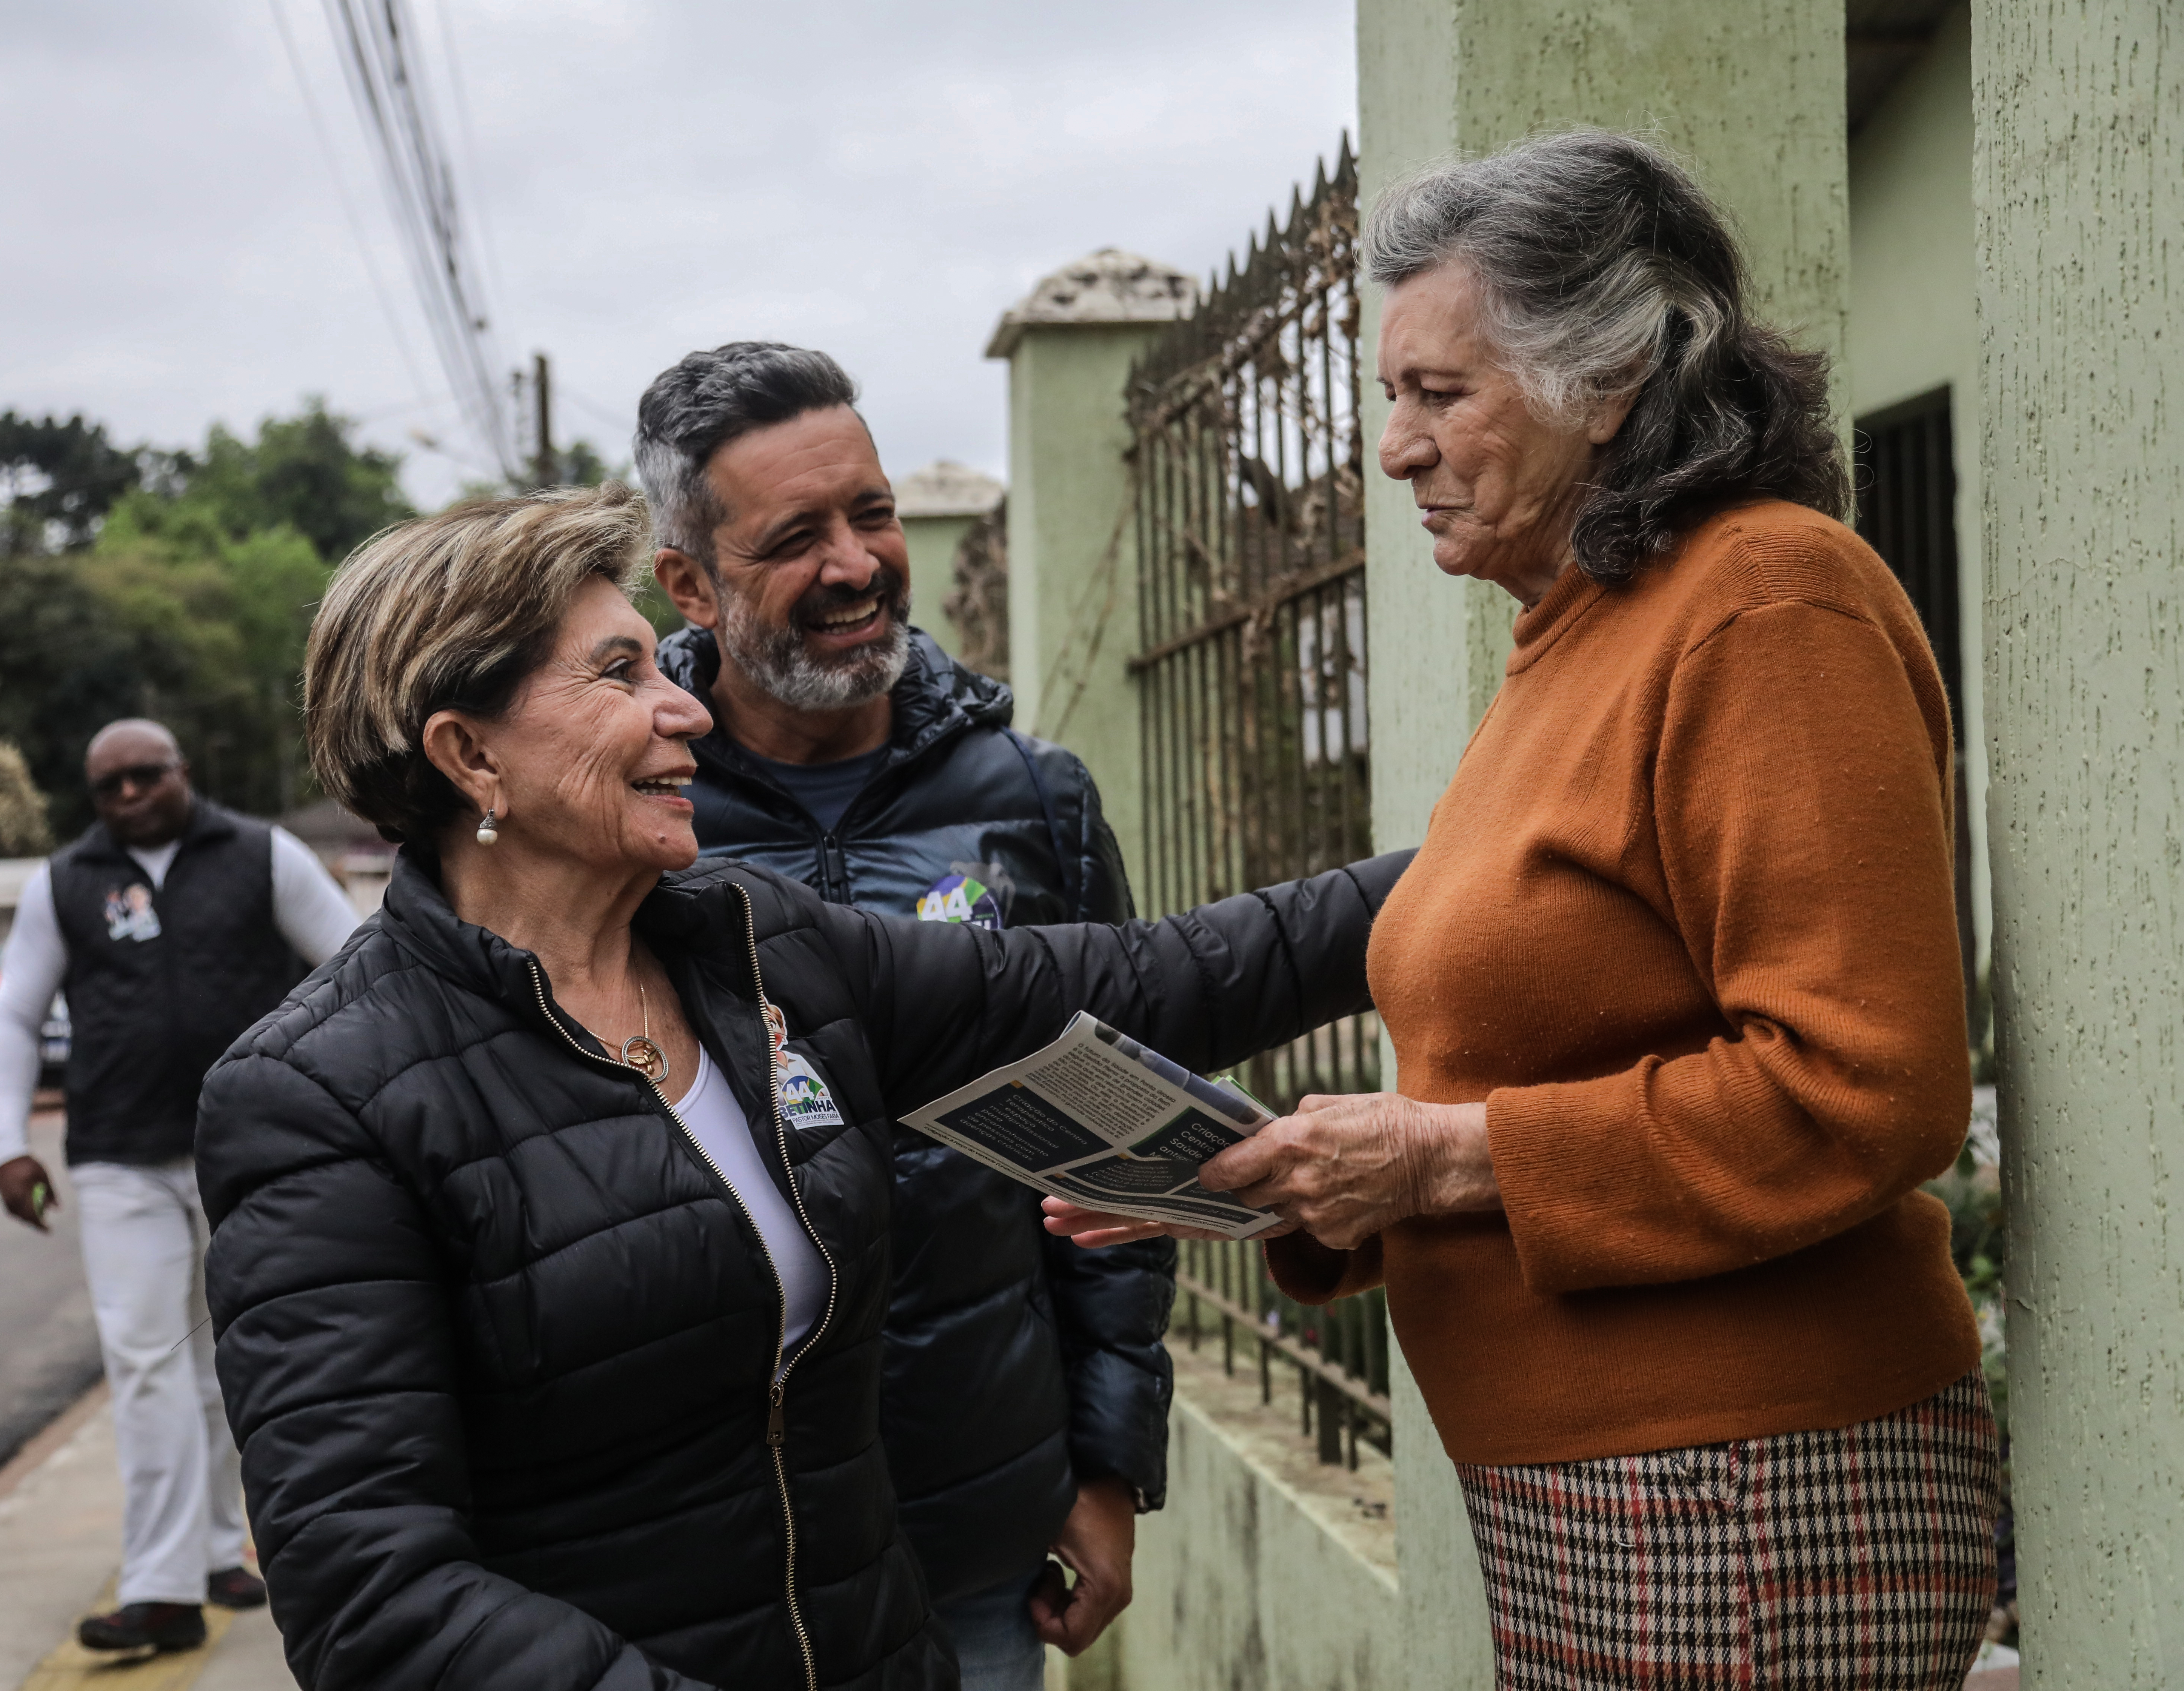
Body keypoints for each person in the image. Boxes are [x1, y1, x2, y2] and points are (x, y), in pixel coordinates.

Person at [1050, 130, 1997, 1688]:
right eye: (1391, 399)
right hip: (1622, 1496)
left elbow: (1869, 1088)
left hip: (1750, 1492)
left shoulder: (1768, 602)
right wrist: (1301, 1183)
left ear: (1609, 383)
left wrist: (1431, 1160)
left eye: (1442, 394)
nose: (1398, 450)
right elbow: (1528, 1070)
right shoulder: (1575, 635)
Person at [195, 483, 1411, 1691]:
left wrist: (1484, 864)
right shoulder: (321, 1097)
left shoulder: (758, 947)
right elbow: (371, 1593)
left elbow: (1159, 978)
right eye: (620, 674)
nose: (687, 708)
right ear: (471, 757)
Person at [639, 342, 1171, 1686]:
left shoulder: (1033, 801)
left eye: (871, 513)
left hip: (976, 1522)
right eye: (796, 537)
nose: (858, 564)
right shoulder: (635, 815)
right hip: (704, 1546)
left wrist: (1108, 1463)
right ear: (690, 582)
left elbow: (1112, 1139)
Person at [0, 720, 358, 1655]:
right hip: (119, 1155)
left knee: (228, 1357)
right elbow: (15, 1015)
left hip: (250, 1149)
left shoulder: (265, 854)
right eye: (107, 786)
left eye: (146, 776)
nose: (128, 797)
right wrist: (4, 1145)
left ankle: (219, 1547)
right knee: (146, 1358)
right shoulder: (64, 880)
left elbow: (358, 965)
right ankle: (161, 1588)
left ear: (184, 770)